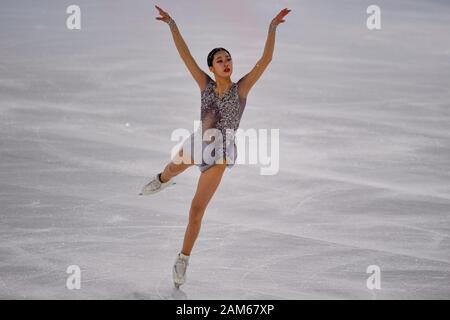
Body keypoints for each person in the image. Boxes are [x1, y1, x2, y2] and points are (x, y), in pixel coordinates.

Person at [141, 4, 291, 289]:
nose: (226, 63)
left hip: (220, 153)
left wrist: (271, 27)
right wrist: (172, 24)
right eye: (220, 60)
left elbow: (266, 59)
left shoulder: (241, 89)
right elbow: (185, 56)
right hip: (200, 141)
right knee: (171, 168)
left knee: (196, 210)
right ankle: (161, 181)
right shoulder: (205, 85)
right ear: (212, 67)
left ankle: (183, 258)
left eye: (228, 59)